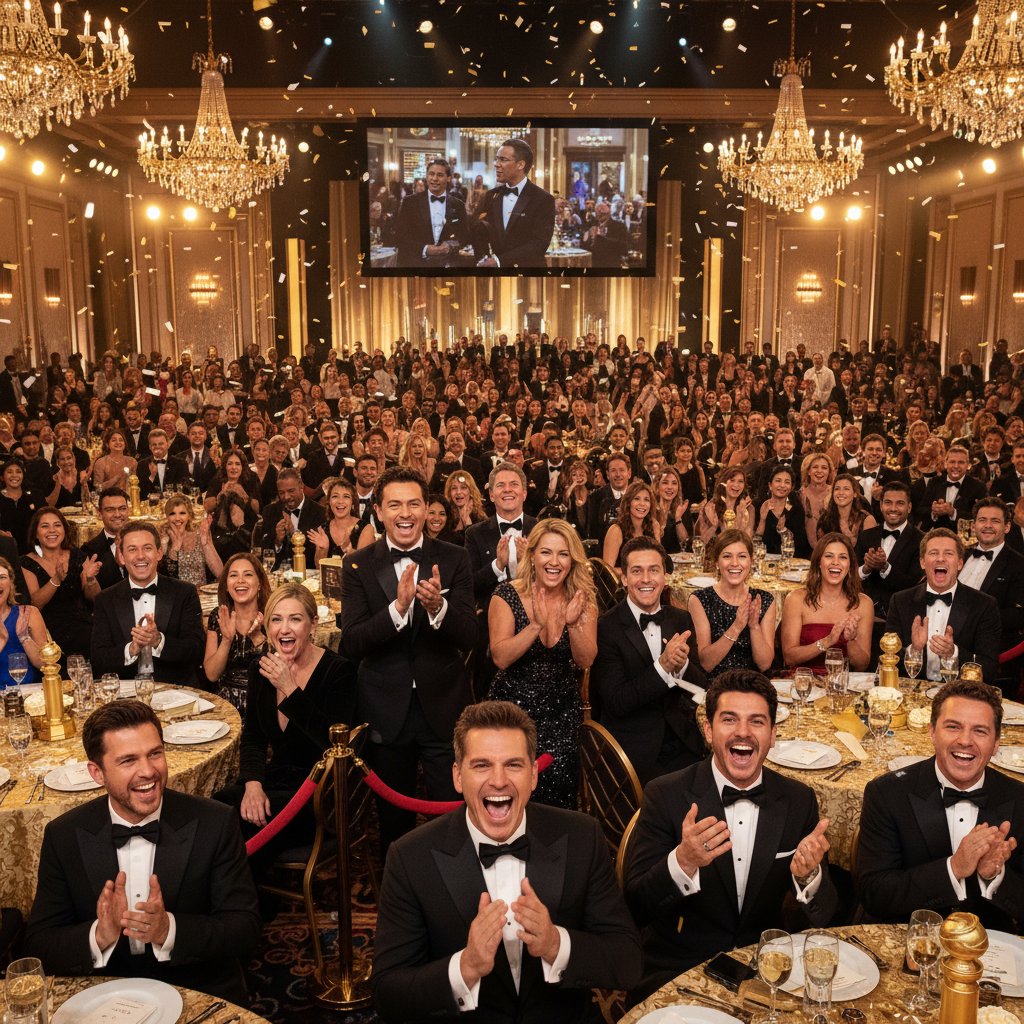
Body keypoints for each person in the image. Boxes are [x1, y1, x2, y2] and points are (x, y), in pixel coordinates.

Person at [371, 700, 642, 1023]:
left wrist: (557, 944)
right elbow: (388, 995)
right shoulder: (410, 857)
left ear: (532, 775)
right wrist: (466, 967)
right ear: (458, 776)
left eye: (513, 765)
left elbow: (628, 963)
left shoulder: (582, 836)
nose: (498, 781)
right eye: (481, 765)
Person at [24, 701, 261, 1004]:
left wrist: (168, 930)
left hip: (198, 987)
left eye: (155, 753)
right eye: (128, 761)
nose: (148, 771)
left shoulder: (215, 822)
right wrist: (100, 934)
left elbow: (245, 928)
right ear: (97, 773)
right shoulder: (64, 835)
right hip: (103, 994)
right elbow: (39, 944)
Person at [624, 669, 837, 1002]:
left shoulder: (798, 800)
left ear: (773, 734)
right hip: (680, 969)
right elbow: (635, 907)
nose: (743, 732)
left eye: (756, 722)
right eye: (729, 720)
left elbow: (826, 916)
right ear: (708, 731)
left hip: (770, 971)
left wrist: (808, 878)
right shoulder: (666, 794)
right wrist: (683, 862)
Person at [340, 466, 478, 853]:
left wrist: (439, 608)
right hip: (385, 710)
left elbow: (470, 636)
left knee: (450, 813)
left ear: (426, 508)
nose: (405, 513)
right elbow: (351, 643)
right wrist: (398, 609)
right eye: (395, 504)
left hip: (444, 705)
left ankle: (452, 889)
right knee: (392, 819)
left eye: (414, 503)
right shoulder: (357, 564)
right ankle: (400, 897)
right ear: (379, 512)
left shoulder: (455, 557)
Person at [856, 679, 1023, 930]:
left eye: (980, 731)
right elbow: (874, 895)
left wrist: (994, 876)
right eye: (953, 727)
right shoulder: (887, 794)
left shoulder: (1019, 799)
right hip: (909, 943)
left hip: (992, 950)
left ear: (997, 742)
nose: (965, 740)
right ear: (932, 731)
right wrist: (954, 868)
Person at [215, 583, 356, 878]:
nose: (284, 629)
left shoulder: (339, 671)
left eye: (295, 619)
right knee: (217, 809)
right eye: (276, 619)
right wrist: (252, 783)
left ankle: (251, 906)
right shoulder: (261, 668)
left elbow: (332, 745)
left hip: (319, 793)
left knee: (242, 821)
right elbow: (253, 737)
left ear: (313, 624)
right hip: (276, 780)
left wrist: (290, 689)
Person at [488, 519, 597, 808]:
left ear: (572, 560)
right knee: (510, 795)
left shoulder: (582, 599)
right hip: (512, 713)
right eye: (546, 552)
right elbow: (501, 657)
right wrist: (535, 624)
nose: (554, 562)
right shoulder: (507, 595)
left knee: (559, 797)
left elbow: (586, 659)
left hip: (562, 714)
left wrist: (572, 624)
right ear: (532, 555)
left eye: (563, 554)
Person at [593, 537, 707, 785]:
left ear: (664, 576)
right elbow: (617, 702)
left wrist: (683, 666)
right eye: (637, 571)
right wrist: (662, 667)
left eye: (654, 570)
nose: (646, 579)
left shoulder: (680, 619)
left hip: (684, 741)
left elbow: (700, 690)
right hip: (633, 748)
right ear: (624, 578)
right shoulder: (606, 627)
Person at [91, 523, 206, 685]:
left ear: (159, 553)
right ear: (122, 557)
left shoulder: (184, 593)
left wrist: (158, 640)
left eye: (147, 548)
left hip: (176, 691)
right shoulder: (105, 599)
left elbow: (196, 651)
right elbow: (99, 659)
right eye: (132, 549)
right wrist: (131, 649)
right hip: (126, 694)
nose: (140, 556)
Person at [886, 528, 1002, 684]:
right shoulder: (899, 601)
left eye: (948, 553)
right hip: (913, 696)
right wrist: (914, 650)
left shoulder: (984, 605)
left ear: (960, 563)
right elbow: (888, 660)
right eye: (933, 553)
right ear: (922, 562)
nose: (940, 558)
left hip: (960, 695)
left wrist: (953, 653)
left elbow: (989, 668)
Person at [957, 497, 1024, 695]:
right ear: (974, 525)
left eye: (995, 521)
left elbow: (1018, 616)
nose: (987, 526)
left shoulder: (1019, 564)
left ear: (1007, 527)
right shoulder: (960, 555)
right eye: (982, 520)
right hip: (948, 648)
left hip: (990, 652)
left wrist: (973, 620)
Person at [688, 530, 776, 680]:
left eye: (742, 556)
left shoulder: (765, 600)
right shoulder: (700, 600)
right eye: (727, 556)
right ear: (716, 562)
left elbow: (765, 664)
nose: (735, 563)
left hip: (753, 685)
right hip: (715, 686)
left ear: (751, 561)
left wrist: (754, 626)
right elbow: (705, 663)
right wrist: (736, 627)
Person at [781, 533, 874, 672]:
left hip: (843, 686)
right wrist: (827, 641)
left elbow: (862, 665)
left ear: (850, 565)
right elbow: (789, 658)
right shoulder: (795, 599)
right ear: (819, 562)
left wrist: (851, 640)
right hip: (803, 684)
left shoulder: (864, 603)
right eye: (829, 556)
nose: (835, 562)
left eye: (842, 557)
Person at [21, 508, 99, 668]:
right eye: (44, 526)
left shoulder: (78, 555)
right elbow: (35, 604)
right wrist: (56, 579)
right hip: (49, 631)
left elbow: (96, 598)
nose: (52, 530)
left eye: (57, 525)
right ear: (35, 533)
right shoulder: (26, 562)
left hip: (82, 625)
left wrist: (90, 580)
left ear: (64, 530)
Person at [203, 553, 270, 716]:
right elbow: (212, 675)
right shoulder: (218, 617)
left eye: (248, 574)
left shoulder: (273, 616)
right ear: (226, 585)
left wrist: (257, 638)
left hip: (265, 703)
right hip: (227, 708)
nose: (240, 581)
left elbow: (282, 669)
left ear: (260, 583)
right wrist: (226, 640)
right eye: (233, 575)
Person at [474, 139, 556, 269]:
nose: (497, 164)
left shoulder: (543, 199)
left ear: (520, 164)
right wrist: (484, 259)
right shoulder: (490, 196)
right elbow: (478, 230)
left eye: (503, 159)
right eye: (497, 159)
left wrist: (499, 261)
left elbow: (539, 244)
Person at [854, 480, 924, 616]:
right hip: (864, 612)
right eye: (888, 503)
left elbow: (915, 585)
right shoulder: (865, 536)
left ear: (909, 507)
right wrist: (866, 568)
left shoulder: (921, 540)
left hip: (901, 614)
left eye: (900, 503)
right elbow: (852, 576)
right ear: (880, 505)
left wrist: (885, 567)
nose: (893, 508)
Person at [395, 157, 471, 267]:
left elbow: (464, 236)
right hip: (416, 265)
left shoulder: (458, 205)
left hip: (448, 265)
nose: (434, 178)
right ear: (427, 176)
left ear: (448, 178)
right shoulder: (410, 202)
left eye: (440, 175)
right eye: (431, 174)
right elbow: (399, 238)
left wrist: (451, 246)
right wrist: (425, 249)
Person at [254, 467, 326, 570]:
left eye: (291, 491)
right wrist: (278, 541)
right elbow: (263, 552)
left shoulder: (319, 513)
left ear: (301, 486)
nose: (286, 497)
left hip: (308, 575)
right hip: (278, 575)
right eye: (282, 493)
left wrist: (294, 534)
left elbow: (317, 552)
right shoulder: (270, 511)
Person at [917, 444, 986, 531]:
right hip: (937, 535)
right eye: (952, 462)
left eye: (961, 462)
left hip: (964, 538)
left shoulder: (978, 486)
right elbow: (921, 510)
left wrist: (953, 512)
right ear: (946, 464)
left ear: (968, 465)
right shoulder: (934, 482)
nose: (956, 466)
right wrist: (934, 512)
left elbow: (981, 516)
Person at [0, 556, 46, 687]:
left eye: (2, 577)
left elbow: (46, 665)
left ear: (11, 583)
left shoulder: (28, 613)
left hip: (27, 693)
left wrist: (24, 637)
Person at [602, 479, 660, 571]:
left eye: (646, 500)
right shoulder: (615, 530)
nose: (642, 504)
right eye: (636, 499)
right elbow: (608, 571)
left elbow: (658, 562)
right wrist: (636, 572)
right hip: (623, 583)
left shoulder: (654, 526)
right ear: (628, 503)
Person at [81, 487, 130, 590]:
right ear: (99, 514)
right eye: (110, 510)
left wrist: (124, 567)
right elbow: (90, 598)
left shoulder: (142, 543)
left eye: (122, 508)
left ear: (128, 510)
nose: (117, 514)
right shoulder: (88, 551)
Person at [755, 464, 809, 556]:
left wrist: (784, 530)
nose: (782, 485)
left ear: (791, 487)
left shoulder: (796, 509)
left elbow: (800, 544)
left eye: (787, 482)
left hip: (789, 561)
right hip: (763, 559)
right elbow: (755, 541)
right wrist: (763, 520)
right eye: (778, 481)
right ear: (770, 485)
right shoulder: (758, 506)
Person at [307, 477, 360, 565]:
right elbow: (318, 569)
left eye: (346, 496)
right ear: (329, 501)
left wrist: (350, 552)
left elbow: (363, 568)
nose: (340, 501)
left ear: (353, 502)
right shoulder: (323, 530)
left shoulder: (365, 528)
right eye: (335, 496)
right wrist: (324, 549)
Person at [90, 428, 137, 494]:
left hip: (128, 499)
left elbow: (135, 485)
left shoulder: (132, 462)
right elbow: (98, 489)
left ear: (125, 444)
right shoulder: (101, 462)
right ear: (107, 444)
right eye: (114, 440)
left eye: (121, 440)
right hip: (107, 500)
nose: (118, 442)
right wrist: (116, 478)